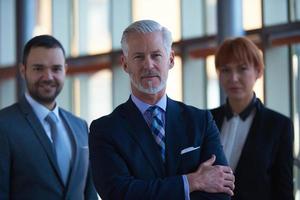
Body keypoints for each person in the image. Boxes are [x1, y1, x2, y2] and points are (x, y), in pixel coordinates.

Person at [89, 19, 234, 200]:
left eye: (156, 55)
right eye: (139, 57)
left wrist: (145, 189)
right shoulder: (105, 130)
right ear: (125, 64)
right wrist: (190, 182)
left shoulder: (201, 121)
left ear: (171, 59)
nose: (148, 65)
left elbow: (222, 191)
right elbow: (119, 193)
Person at [0, 35, 98, 200]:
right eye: (39, 69)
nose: (48, 77)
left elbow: (89, 194)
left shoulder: (80, 126)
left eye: (56, 69)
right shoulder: (4, 125)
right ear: (23, 71)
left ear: (65, 70)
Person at [211, 37, 294, 200]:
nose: (233, 78)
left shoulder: (278, 125)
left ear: (258, 71)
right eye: (226, 70)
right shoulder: (205, 119)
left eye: (242, 69)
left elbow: (283, 189)